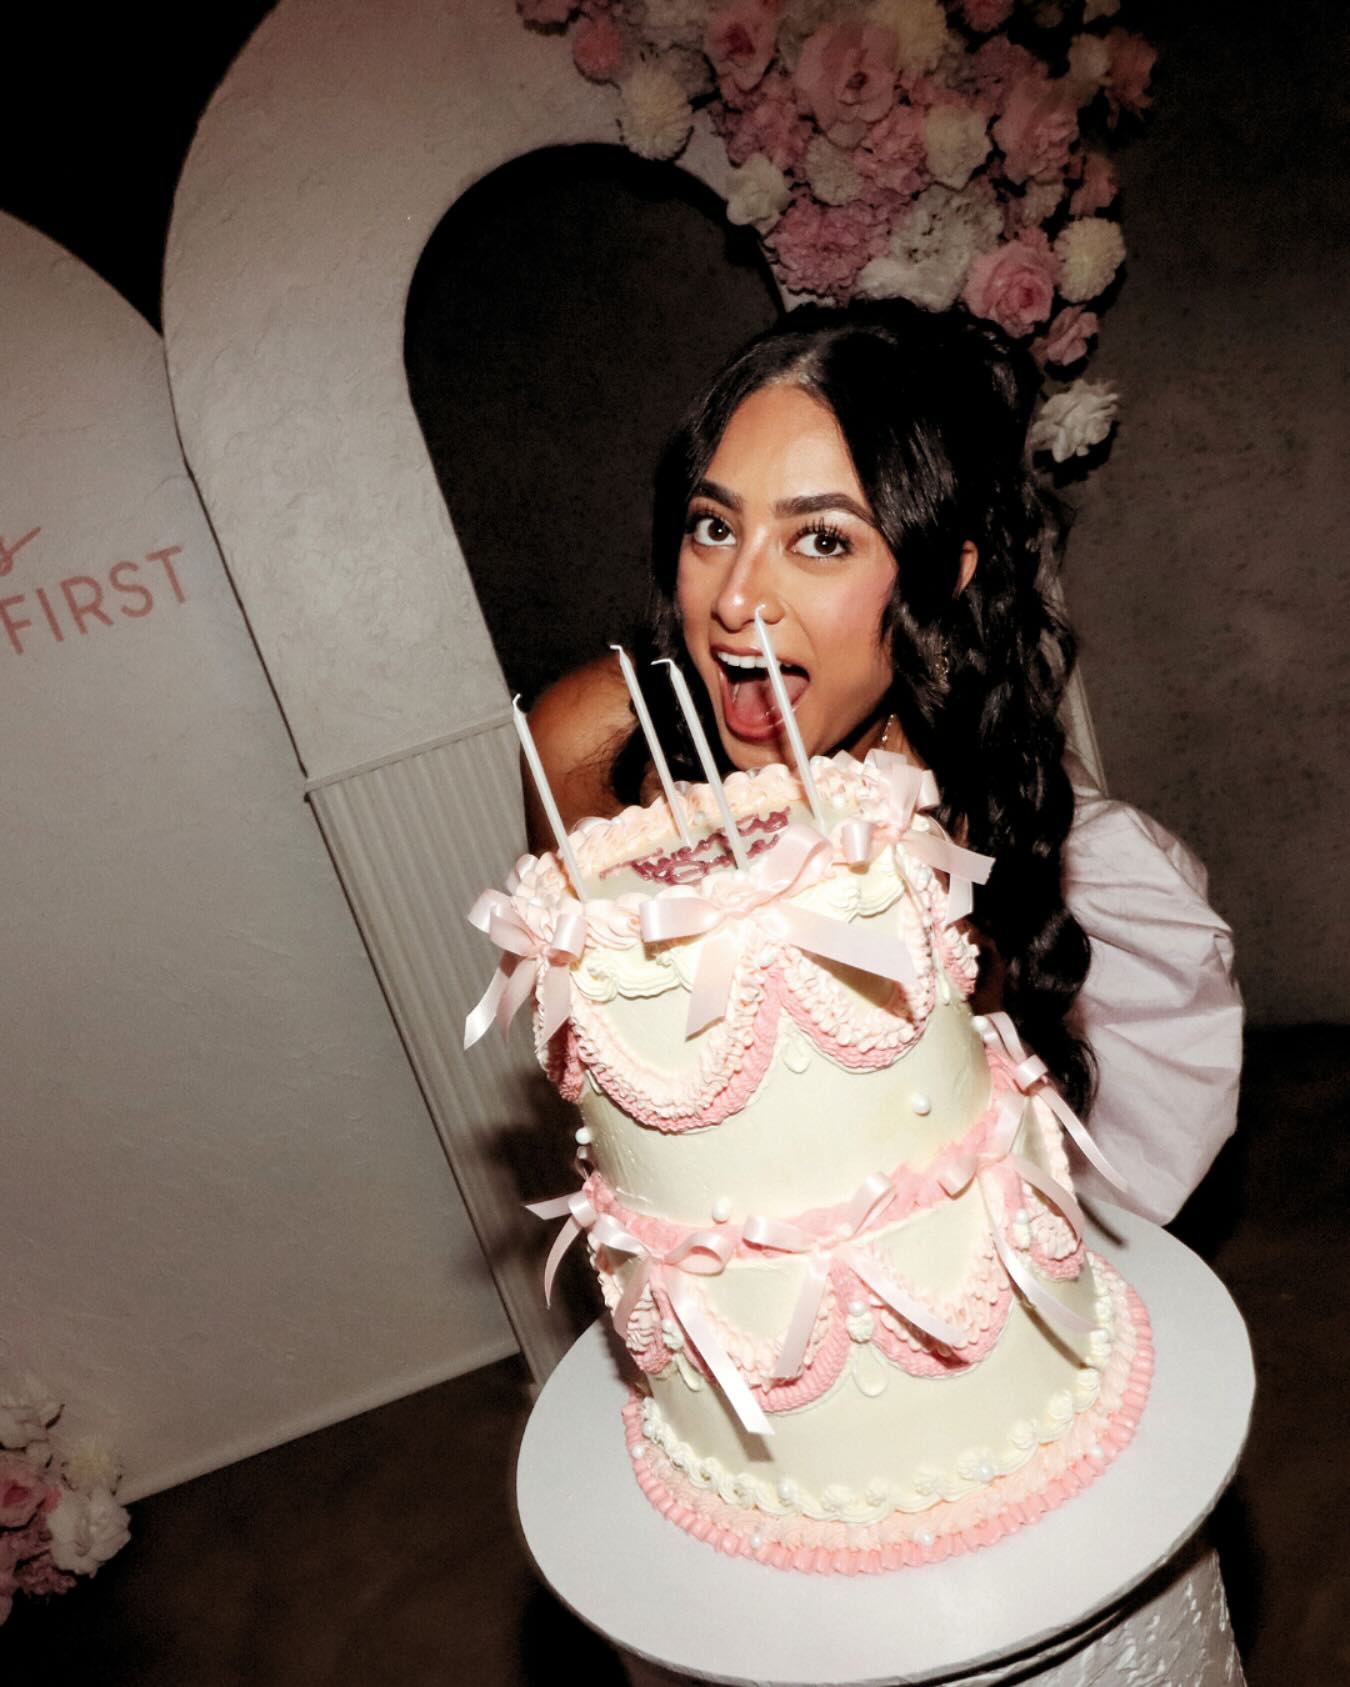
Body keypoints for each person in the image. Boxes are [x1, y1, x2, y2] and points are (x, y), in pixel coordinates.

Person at [525, 299, 1241, 1222]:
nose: (737, 598)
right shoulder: (587, 747)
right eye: (714, 526)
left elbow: (960, 1153)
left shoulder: (959, 808)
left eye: (822, 539)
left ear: (942, 576)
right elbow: (610, 1073)